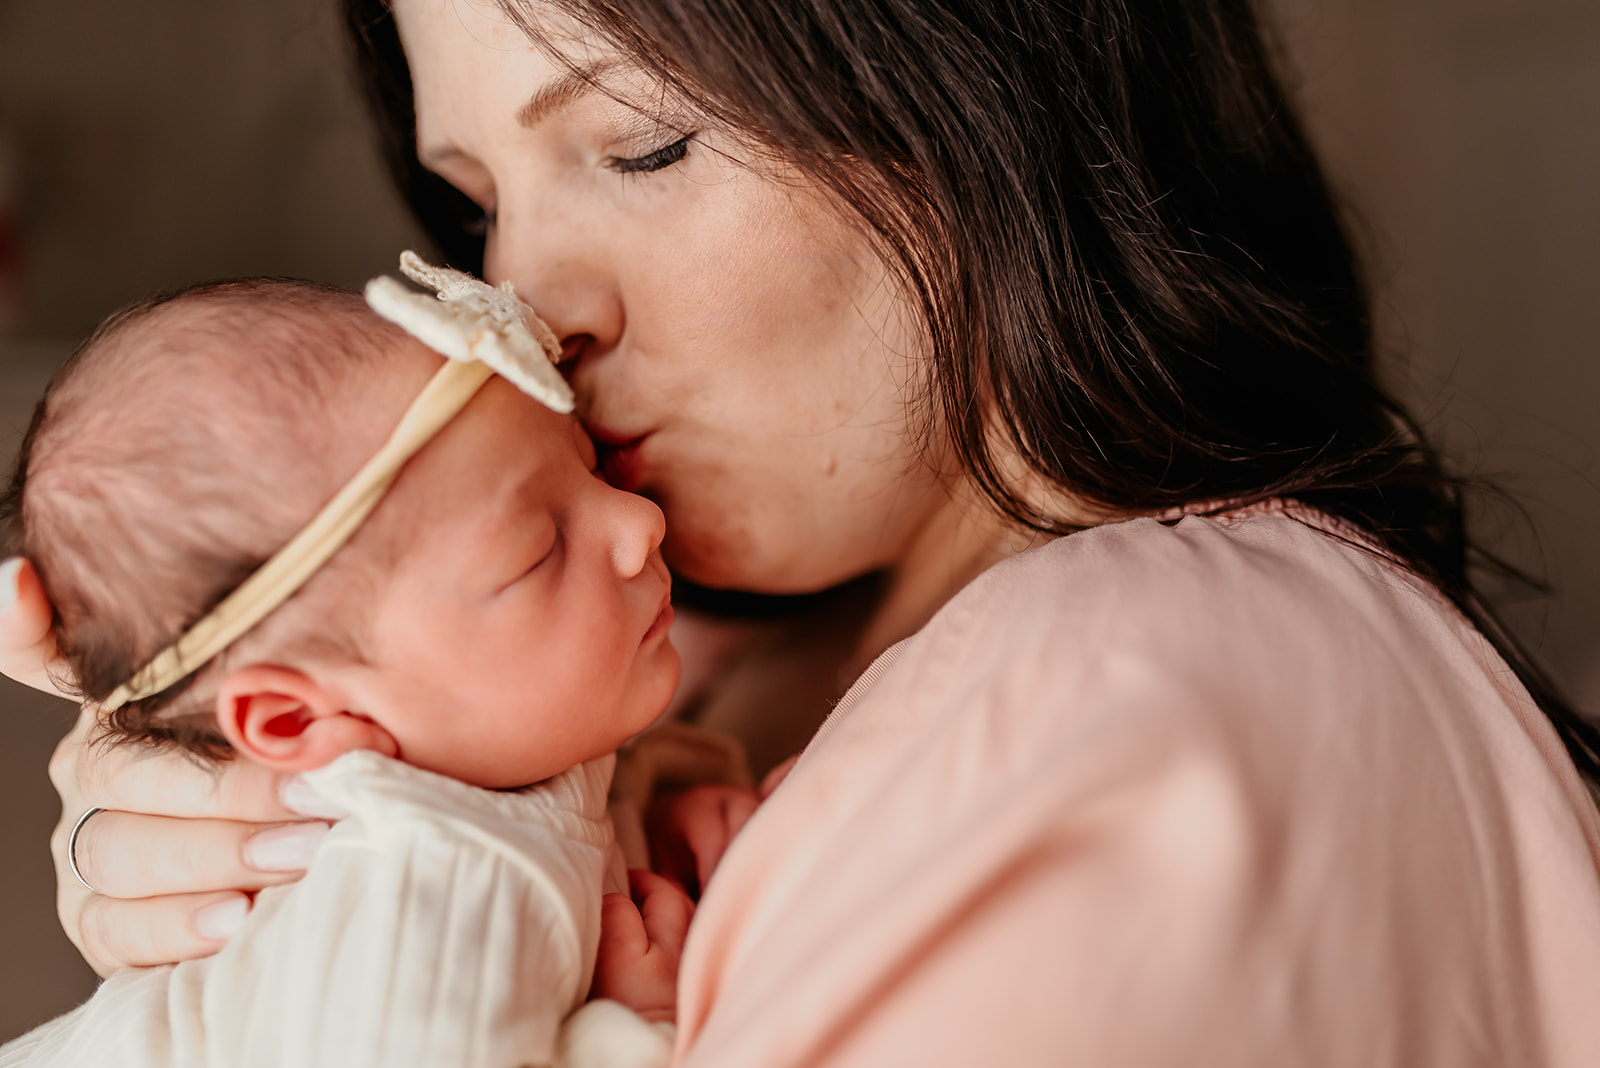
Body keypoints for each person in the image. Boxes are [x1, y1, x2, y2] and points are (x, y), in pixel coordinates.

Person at [5, 0, 1600, 1063]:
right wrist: (236, 889)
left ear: (982, 76)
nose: (530, 309)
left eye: (638, 145)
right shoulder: (665, 672)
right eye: (479, 203)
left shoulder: (1143, 687)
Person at [0, 264, 697, 1066]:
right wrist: (641, 1032)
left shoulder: (499, 774)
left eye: (590, 466)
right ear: (303, 719)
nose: (640, 520)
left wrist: (678, 815)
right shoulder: (435, 879)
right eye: (538, 552)